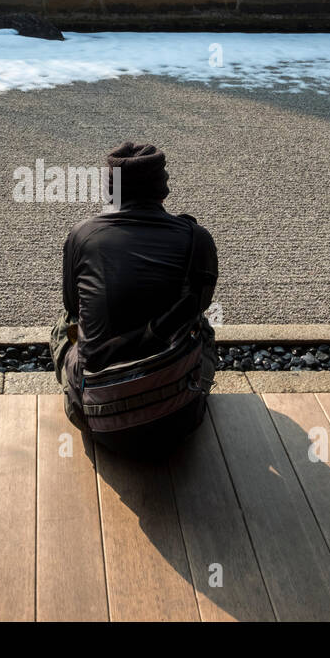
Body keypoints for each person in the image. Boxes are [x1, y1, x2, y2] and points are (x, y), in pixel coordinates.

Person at [51, 142, 219, 457]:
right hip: (180, 416)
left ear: (109, 192)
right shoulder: (196, 238)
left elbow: (73, 308)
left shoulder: (82, 235)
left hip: (100, 421)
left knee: (66, 326)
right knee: (202, 326)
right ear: (163, 190)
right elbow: (201, 304)